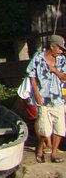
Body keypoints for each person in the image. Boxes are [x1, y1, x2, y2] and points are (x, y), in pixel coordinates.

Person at [27, 34, 66, 163]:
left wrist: (55, 71)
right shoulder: (38, 58)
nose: (61, 51)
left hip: (58, 99)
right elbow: (32, 77)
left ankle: (54, 154)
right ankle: (40, 147)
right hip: (43, 99)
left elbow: (64, 77)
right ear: (52, 47)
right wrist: (37, 94)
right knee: (44, 130)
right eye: (59, 48)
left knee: (60, 128)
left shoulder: (62, 60)